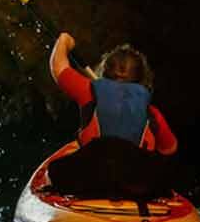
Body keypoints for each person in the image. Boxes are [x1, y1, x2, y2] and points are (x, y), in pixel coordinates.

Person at [45, 32, 178, 200]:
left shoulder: (88, 90)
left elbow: (59, 67)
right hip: (136, 185)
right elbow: (170, 148)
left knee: (54, 170)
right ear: (142, 79)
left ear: (104, 72)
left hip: (93, 178)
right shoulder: (151, 111)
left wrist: (64, 40)